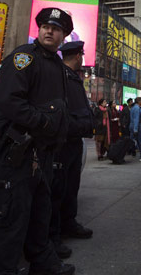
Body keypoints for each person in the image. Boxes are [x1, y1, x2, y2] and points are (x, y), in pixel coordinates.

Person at [0, 7, 75, 275]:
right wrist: (43, 122)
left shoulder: (57, 65)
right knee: (8, 221)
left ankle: (43, 264)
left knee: (39, 214)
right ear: (39, 29)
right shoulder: (24, 58)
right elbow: (8, 101)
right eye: (46, 26)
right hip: (16, 152)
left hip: (42, 153)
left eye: (56, 28)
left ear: (64, 35)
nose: (50, 30)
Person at [49, 41, 94, 260]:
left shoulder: (75, 77)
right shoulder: (59, 76)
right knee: (57, 190)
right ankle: (53, 237)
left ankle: (69, 223)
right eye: (82, 55)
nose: (83, 59)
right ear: (77, 56)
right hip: (62, 141)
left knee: (71, 186)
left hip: (75, 140)